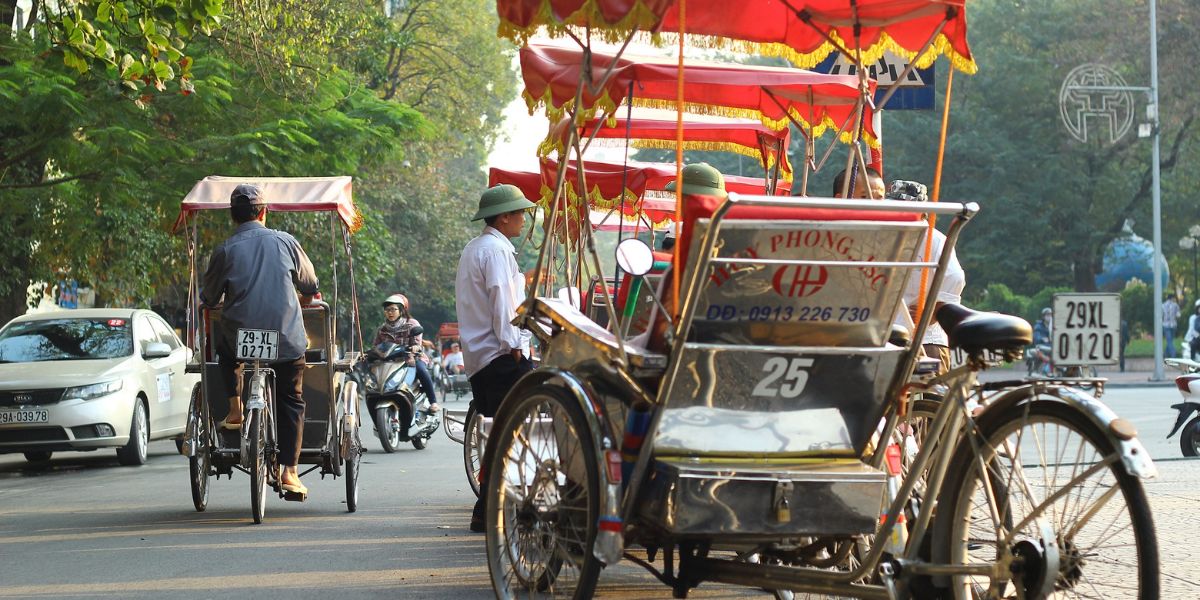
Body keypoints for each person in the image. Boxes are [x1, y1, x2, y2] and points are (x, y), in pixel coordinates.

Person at [200, 184, 318, 496]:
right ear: (263, 212)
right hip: (286, 339)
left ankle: (236, 407)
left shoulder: (224, 250)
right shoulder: (285, 241)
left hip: (240, 340)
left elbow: (210, 298)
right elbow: (310, 284)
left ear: (232, 217)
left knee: (226, 353)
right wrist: (303, 297)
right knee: (291, 398)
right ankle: (290, 472)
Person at [455, 183, 537, 532]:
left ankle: (488, 507)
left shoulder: (477, 248)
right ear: (504, 217)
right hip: (500, 354)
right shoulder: (495, 252)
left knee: (501, 430)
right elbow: (503, 305)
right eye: (519, 213)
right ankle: (493, 505)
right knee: (522, 429)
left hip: (482, 357)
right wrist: (515, 346)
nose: (523, 220)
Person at [374, 293, 439, 413]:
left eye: (393, 309)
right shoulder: (382, 329)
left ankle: (433, 401)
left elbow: (417, 342)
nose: (390, 312)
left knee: (421, 370)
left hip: (412, 359)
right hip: (391, 362)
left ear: (401, 310)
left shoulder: (412, 324)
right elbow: (377, 346)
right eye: (387, 310)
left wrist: (415, 347)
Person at [1162, 294, 1180, 358]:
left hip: (1165, 325)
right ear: (1172, 298)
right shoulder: (1175, 305)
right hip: (1173, 325)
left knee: (1169, 340)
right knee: (1170, 340)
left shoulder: (1163, 305)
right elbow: (1178, 315)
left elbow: (1161, 315)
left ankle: (1165, 354)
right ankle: (1173, 354)